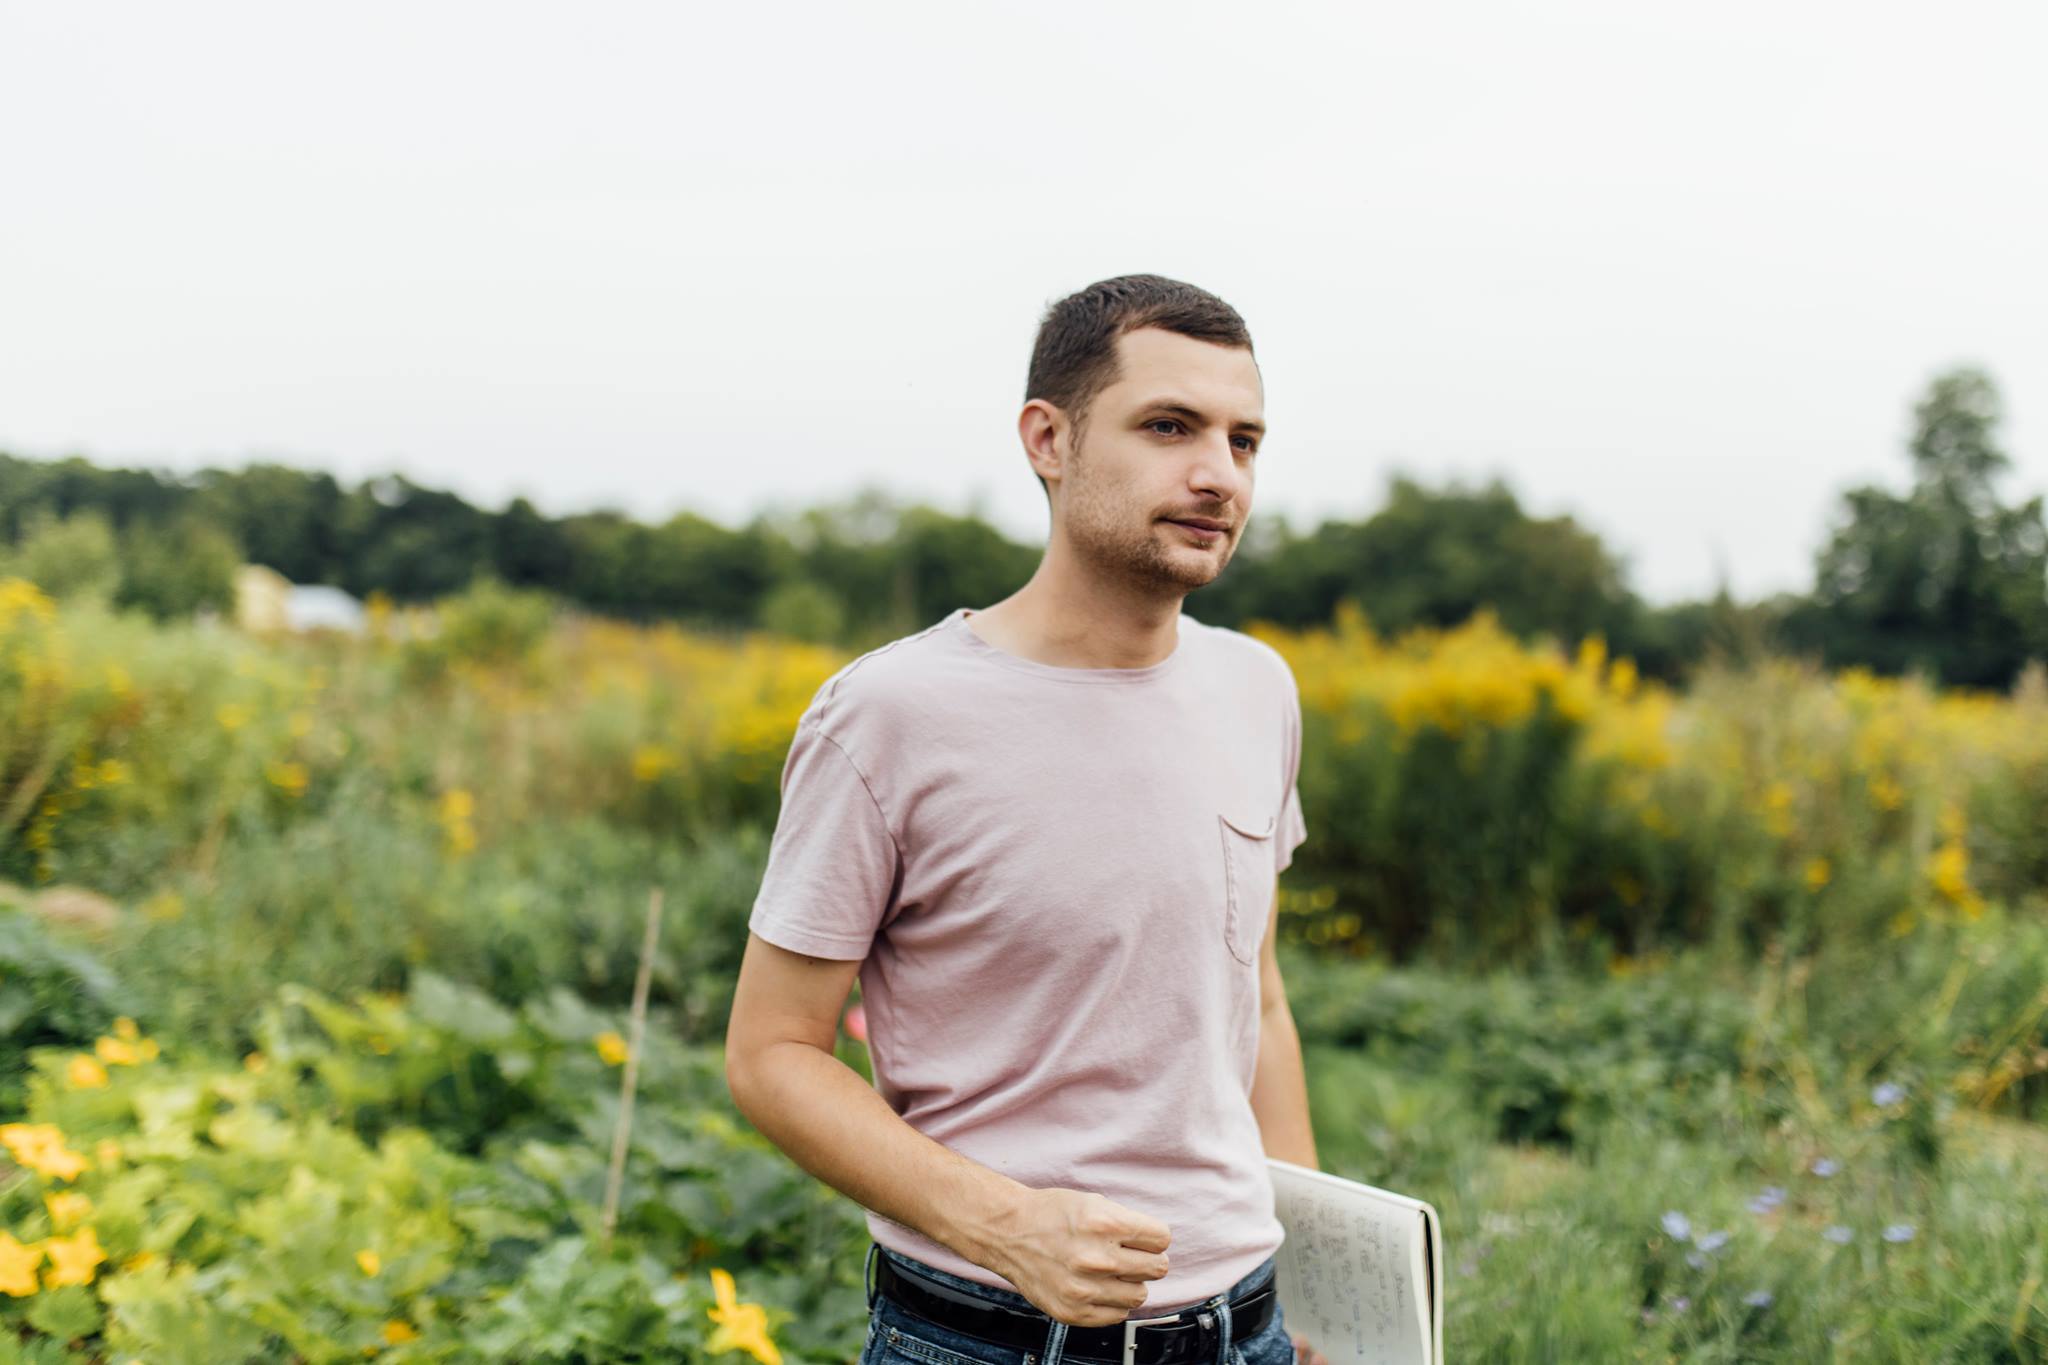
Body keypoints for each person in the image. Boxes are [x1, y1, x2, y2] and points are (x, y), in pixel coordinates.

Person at [725, 274, 1330, 1365]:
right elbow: (771, 1054)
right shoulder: (887, 715)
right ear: (1046, 440)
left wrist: (1327, 1290)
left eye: (1243, 442)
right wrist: (1005, 1228)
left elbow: (1260, 1000)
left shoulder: (1257, 690)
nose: (1216, 475)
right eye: (1167, 427)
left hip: (1250, 1330)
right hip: (990, 1338)